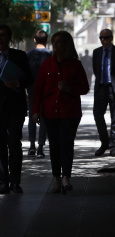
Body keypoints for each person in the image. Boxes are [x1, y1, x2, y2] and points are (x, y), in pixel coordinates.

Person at [32, 31, 89, 194]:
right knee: (55, 146)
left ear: (67, 44)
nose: (55, 45)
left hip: (69, 112)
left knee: (66, 144)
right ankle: (57, 178)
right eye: (54, 42)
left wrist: (70, 89)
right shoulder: (47, 65)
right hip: (49, 112)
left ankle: (66, 177)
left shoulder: (75, 65)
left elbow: (84, 88)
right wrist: (35, 111)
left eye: (59, 42)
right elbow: (38, 90)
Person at [0, 24, 33, 194]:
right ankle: (3, 181)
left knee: (14, 143)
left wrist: (18, 83)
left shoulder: (19, 56)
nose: (1, 38)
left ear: (9, 38)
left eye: (4, 35)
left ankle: (15, 182)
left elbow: (29, 77)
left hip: (15, 107)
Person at [92, 28, 115, 157]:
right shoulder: (96, 52)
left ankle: (114, 147)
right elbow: (95, 70)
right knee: (97, 114)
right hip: (101, 88)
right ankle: (105, 143)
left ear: (111, 38)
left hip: (114, 88)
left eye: (106, 37)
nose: (103, 40)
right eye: (101, 38)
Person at [27, 30, 51, 158]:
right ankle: (40, 147)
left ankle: (31, 146)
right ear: (46, 40)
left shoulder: (28, 55)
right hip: (47, 92)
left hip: (32, 91)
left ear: (35, 40)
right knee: (44, 119)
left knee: (32, 117)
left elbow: (25, 75)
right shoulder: (51, 55)